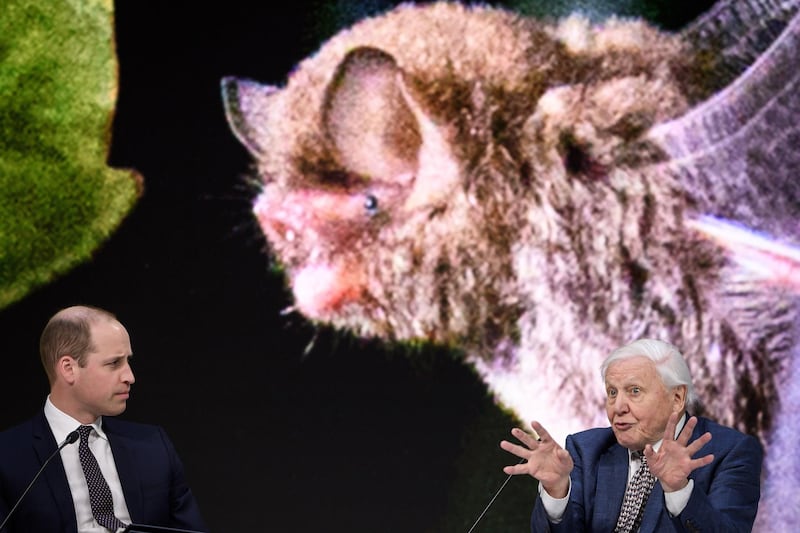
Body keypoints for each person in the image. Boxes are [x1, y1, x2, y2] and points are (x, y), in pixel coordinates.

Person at [501, 338, 762, 532]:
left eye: (634, 391)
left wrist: (679, 490)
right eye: (612, 392)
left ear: (677, 398)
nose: (617, 407)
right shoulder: (585, 449)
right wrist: (557, 491)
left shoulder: (731, 452)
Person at [0, 305, 207, 532]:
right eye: (114, 363)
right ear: (68, 368)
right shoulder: (7, 456)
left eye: (128, 361)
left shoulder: (153, 445)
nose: (130, 377)